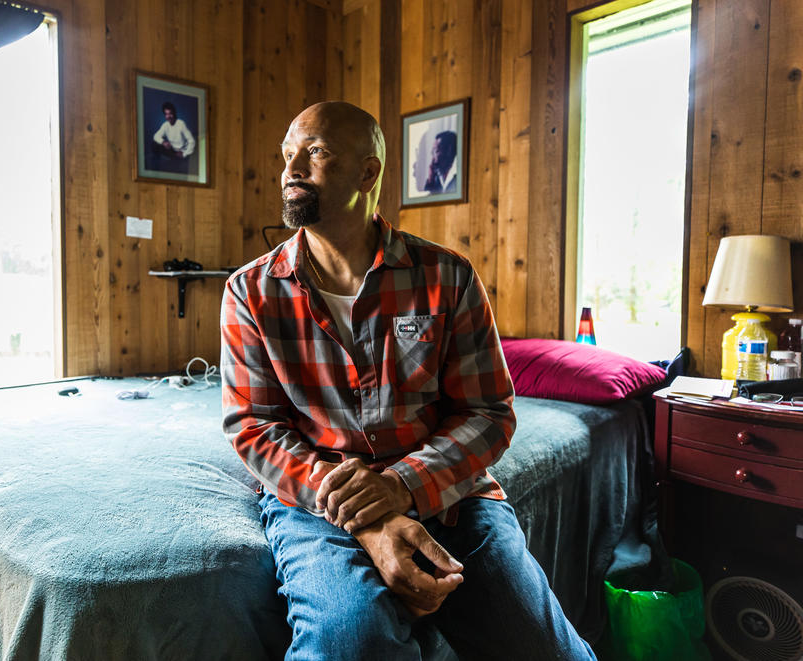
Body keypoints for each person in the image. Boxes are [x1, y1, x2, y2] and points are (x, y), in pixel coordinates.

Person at [220, 101, 594, 660]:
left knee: (543, 648)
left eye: (316, 152)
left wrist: (400, 486)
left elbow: (489, 412)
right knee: (350, 640)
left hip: (454, 496)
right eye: (287, 154)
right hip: (317, 499)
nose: (291, 168)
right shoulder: (251, 292)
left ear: (368, 173)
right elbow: (253, 425)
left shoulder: (446, 276)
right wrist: (369, 519)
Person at [152, 101, 195, 173]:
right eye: (166, 114)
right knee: (154, 144)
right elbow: (156, 136)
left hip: (181, 152)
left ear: (174, 113)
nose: (168, 116)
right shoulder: (165, 125)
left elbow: (192, 141)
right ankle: (157, 168)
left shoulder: (181, 124)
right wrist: (164, 142)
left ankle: (177, 161)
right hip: (172, 151)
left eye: (170, 114)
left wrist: (184, 154)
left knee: (175, 166)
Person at [423, 130, 458, 194]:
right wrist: (431, 179)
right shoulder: (437, 177)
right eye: (432, 151)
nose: (432, 156)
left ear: (449, 152)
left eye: (436, 151)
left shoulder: (460, 176)